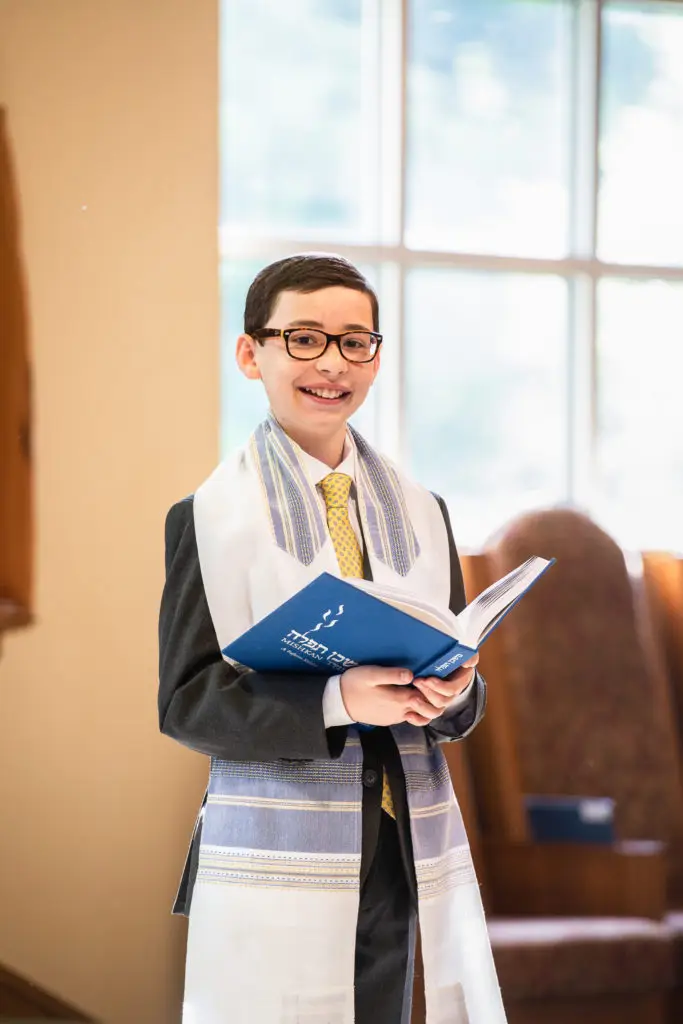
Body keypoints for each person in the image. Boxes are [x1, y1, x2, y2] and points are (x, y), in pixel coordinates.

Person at [158, 253, 507, 1024]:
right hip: (277, 851)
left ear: (376, 357)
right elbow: (186, 704)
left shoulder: (423, 510)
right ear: (252, 353)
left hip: (396, 846)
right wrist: (336, 698)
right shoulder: (209, 518)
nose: (332, 363)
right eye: (305, 338)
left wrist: (454, 692)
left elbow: (453, 684)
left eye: (356, 342)